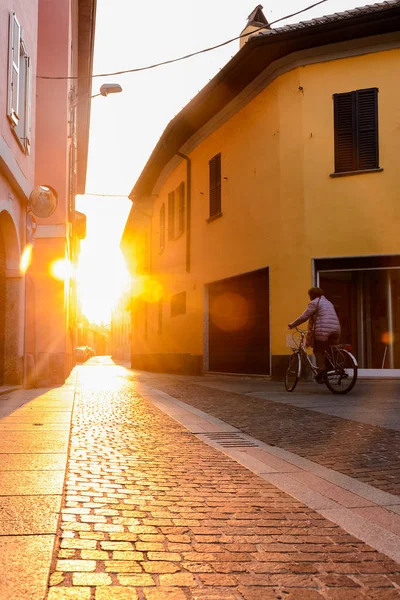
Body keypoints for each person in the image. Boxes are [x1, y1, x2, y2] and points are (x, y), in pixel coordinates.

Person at [288, 287, 341, 381]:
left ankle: (321, 370)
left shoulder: (315, 303)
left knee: (317, 349)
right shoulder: (328, 302)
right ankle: (331, 367)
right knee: (327, 348)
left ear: (312, 295)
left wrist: (292, 325)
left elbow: (304, 317)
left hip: (324, 329)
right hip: (336, 329)